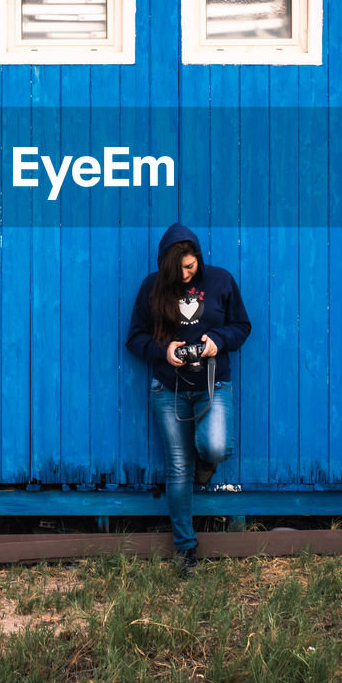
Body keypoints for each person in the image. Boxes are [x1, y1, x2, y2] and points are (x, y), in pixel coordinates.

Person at [126, 223, 251, 575]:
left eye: (190, 266)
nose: (184, 273)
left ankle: (203, 465)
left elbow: (243, 326)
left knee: (216, 447)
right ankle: (186, 550)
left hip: (213, 384)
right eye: (177, 268)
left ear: (198, 256)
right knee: (177, 469)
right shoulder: (152, 287)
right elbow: (134, 339)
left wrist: (218, 340)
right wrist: (164, 350)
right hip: (168, 389)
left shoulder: (221, 280)